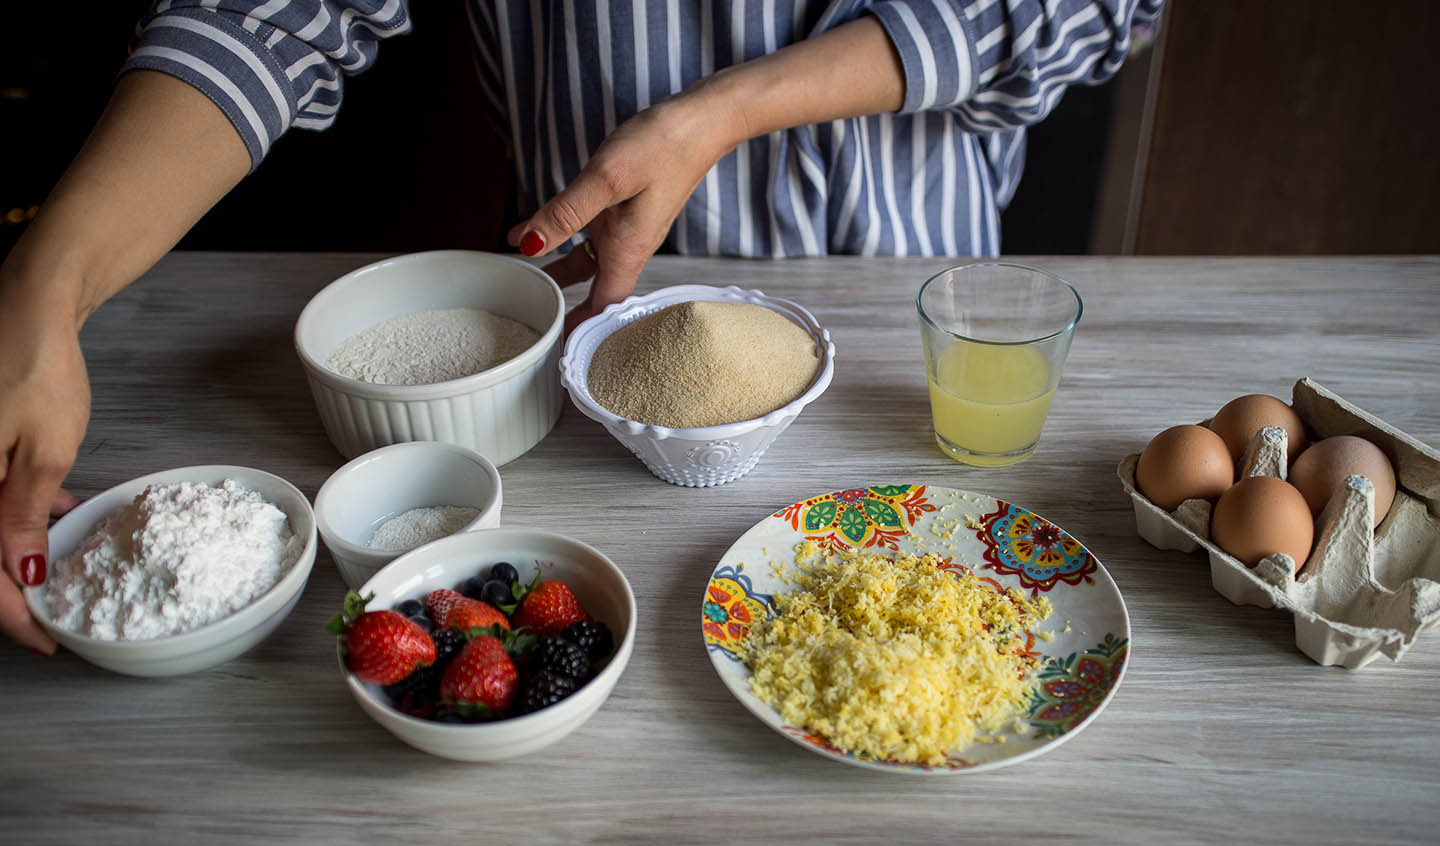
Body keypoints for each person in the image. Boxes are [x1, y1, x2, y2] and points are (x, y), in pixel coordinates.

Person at [0, 0, 1163, 653]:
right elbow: (269, 16)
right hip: (582, 344)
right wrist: (40, 290)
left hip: (910, 344)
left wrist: (726, 110)